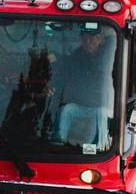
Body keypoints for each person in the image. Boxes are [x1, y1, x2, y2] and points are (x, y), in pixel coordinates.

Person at [47, 23, 115, 152]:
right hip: (80, 104)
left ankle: (96, 149)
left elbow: (113, 36)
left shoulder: (110, 54)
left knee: (102, 115)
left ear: (100, 39)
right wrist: (52, 86)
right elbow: (63, 74)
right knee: (66, 110)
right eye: (84, 38)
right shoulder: (76, 56)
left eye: (92, 38)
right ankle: (58, 144)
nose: (88, 41)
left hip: (102, 106)